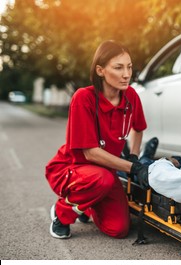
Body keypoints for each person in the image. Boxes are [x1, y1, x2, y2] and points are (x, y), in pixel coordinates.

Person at [45, 40, 149, 239]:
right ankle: (62, 213)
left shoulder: (131, 96)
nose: (127, 74)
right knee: (102, 180)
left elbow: (139, 128)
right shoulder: (83, 98)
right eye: (118, 68)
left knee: (118, 229)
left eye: (129, 67)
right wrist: (132, 167)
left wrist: (134, 156)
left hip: (104, 174)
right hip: (71, 169)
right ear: (100, 70)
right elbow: (90, 152)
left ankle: (88, 204)